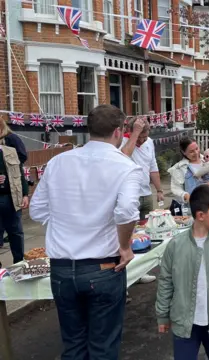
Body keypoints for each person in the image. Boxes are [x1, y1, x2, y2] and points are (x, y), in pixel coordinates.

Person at [30, 104, 143, 359]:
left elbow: (37, 210)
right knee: (103, 346)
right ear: (119, 132)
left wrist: (67, 220)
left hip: (62, 267)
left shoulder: (58, 161)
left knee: (73, 345)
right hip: (102, 266)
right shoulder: (125, 166)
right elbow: (126, 212)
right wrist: (125, 247)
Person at [156, 185, 209, 360]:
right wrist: (162, 315)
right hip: (184, 323)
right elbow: (165, 281)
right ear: (200, 215)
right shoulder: (175, 245)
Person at [120, 118, 163, 286]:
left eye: (145, 137)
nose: (142, 140)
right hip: (129, 196)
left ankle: (140, 272)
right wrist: (135, 134)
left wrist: (159, 190)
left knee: (144, 235)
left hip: (145, 194)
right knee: (128, 238)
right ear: (130, 131)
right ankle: (126, 278)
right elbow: (124, 156)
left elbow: (153, 166)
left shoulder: (149, 142)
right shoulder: (122, 142)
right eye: (140, 137)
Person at [168, 138, 209, 238]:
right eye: (191, 151)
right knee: (201, 240)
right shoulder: (180, 168)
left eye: (197, 149)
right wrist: (184, 195)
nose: (196, 152)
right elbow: (175, 188)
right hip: (196, 211)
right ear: (183, 152)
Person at [0, 118, 29, 262]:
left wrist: (24, 193)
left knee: (16, 232)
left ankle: (19, 264)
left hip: (11, 196)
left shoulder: (11, 142)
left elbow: (19, 168)